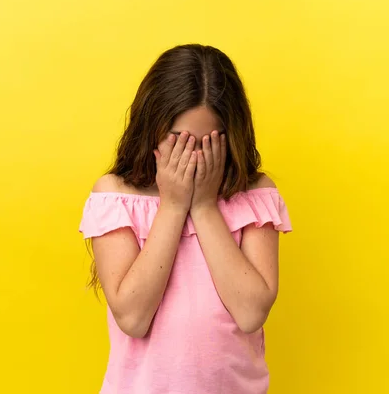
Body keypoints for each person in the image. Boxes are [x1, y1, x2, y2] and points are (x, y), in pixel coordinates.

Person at [79, 44, 292, 394]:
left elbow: (251, 312)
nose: (192, 157)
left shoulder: (254, 195)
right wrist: (174, 206)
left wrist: (205, 207)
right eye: (178, 141)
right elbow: (132, 318)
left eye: (207, 143)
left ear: (231, 136)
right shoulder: (116, 196)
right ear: (152, 129)